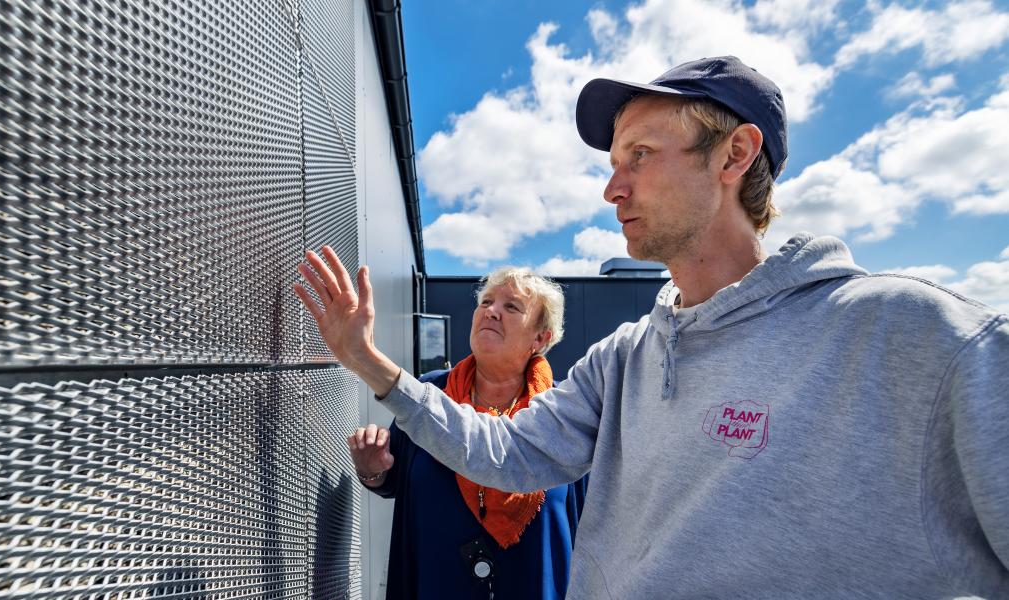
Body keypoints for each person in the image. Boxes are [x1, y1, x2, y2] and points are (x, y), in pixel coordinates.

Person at [294, 56, 1009, 599]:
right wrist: (368, 363)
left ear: (734, 156)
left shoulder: (915, 336)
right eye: (612, 164)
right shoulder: (628, 357)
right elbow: (506, 452)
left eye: (640, 155)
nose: (612, 188)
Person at [344, 267, 586, 599]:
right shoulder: (428, 392)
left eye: (511, 307)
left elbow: (589, 521)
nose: (492, 311)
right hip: (435, 582)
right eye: (486, 301)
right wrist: (371, 468)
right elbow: (392, 478)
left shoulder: (563, 410)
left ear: (540, 338)